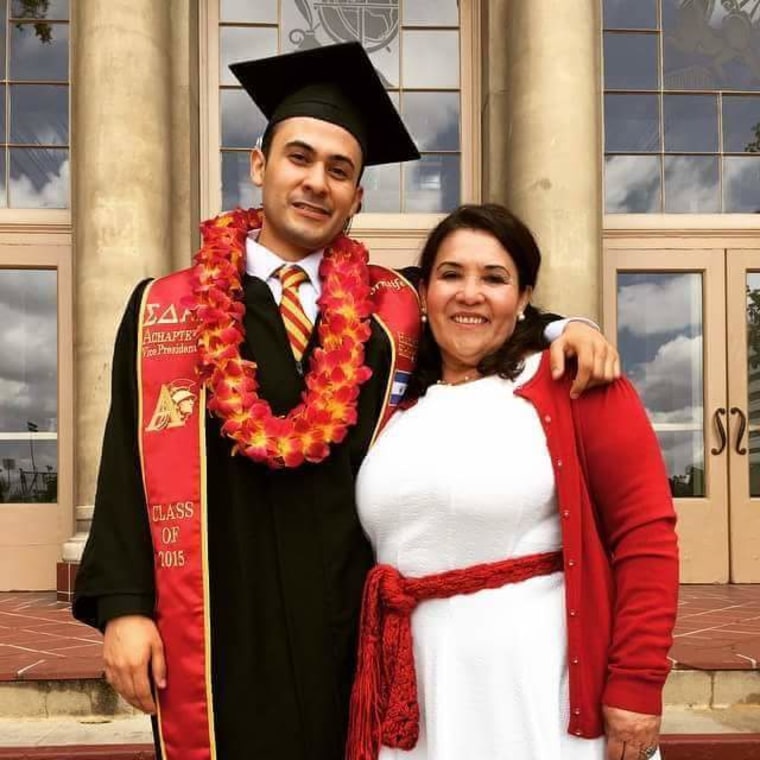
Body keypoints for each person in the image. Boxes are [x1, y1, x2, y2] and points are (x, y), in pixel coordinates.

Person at [73, 45, 620, 760]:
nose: (316, 182)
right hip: (219, 619)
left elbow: (479, 309)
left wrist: (563, 325)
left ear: (357, 197)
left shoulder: (392, 309)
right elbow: (125, 467)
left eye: (339, 170)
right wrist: (123, 610)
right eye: (299, 158)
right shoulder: (163, 310)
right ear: (258, 164)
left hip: (348, 618)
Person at [348, 204, 678, 760]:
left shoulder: (572, 381)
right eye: (452, 274)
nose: (470, 293)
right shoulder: (391, 402)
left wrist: (638, 684)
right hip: (417, 687)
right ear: (424, 291)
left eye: (494, 278)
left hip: (532, 686)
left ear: (524, 297)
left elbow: (646, 537)